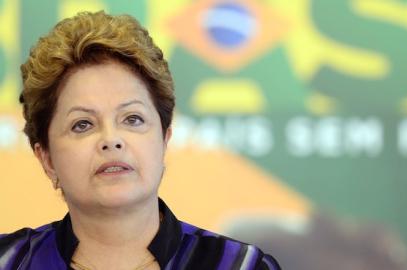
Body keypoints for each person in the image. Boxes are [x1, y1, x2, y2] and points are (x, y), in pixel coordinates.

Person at [0, 11, 281, 270]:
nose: (111, 140)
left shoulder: (238, 265)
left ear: (164, 139)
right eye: (82, 124)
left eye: (132, 119)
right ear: (46, 158)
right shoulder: (10, 261)